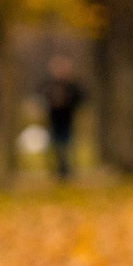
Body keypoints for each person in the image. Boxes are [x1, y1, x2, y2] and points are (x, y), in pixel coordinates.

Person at [39, 54, 85, 182]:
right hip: (53, 119)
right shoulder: (48, 84)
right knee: (54, 147)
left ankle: (68, 171)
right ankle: (57, 171)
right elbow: (42, 98)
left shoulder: (72, 84)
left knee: (68, 146)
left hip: (67, 119)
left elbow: (80, 99)